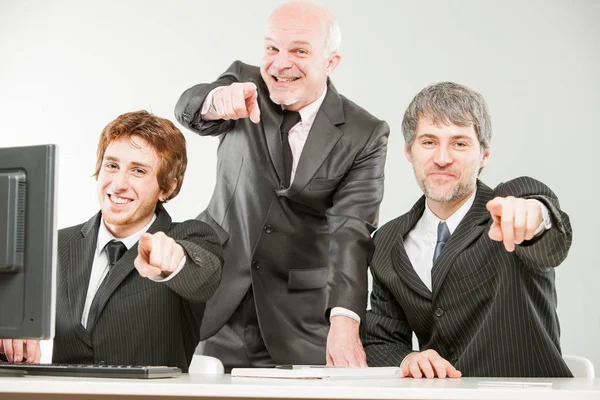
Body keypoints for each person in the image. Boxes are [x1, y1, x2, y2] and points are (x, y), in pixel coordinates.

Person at [174, 1, 389, 368]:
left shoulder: (364, 133)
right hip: (214, 305)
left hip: (300, 322)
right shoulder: (244, 80)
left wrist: (344, 320)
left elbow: (351, 231)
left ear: (330, 62)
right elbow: (189, 109)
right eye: (272, 48)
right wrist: (216, 100)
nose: (280, 63)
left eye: (300, 51)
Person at [361, 82, 573, 378]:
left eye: (459, 143)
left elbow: (550, 241)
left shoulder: (510, 204)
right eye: (429, 142)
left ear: (484, 155)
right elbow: (382, 340)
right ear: (409, 151)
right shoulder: (386, 241)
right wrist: (409, 358)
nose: (443, 158)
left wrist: (536, 217)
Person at [0, 110, 222, 372]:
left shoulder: (189, 237)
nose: (118, 184)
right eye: (112, 165)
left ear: (167, 188)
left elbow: (203, 276)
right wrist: (10, 328)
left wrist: (174, 262)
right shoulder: (56, 244)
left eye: (138, 171)